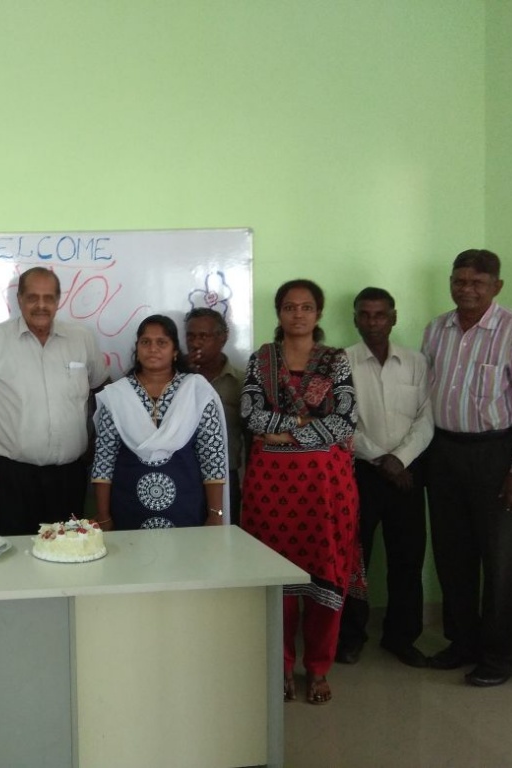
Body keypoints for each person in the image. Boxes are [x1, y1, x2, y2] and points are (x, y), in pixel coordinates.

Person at [240, 279, 360, 706]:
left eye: (307, 307)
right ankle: (282, 665)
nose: (298, 314)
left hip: (324, 487)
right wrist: (306, 428)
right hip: (270, 490)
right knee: (276, 576)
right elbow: (251, 414)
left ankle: (319, 667)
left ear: (318, 313)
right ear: (279, 313)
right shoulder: (262, 360)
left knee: (326, 571)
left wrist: (285, 438)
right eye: (289, 307)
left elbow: (345, 419)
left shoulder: (335, 361)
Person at [421, 249, 512, 687]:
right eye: (459, 281)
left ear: (496, 287)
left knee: (501, 559)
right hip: (445, 452)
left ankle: (501, 656)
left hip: (497, 456)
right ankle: (462, 642)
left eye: (477, 283)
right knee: (452, 554)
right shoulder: (436, 330)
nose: (466, 290)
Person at [0, 267, 110, 535]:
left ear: (58, 300)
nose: (41, 305)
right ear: (19, 299)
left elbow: (103, 393)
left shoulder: (82, 339)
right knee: (17, 549)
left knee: (67, 549)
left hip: (69, 475)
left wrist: (97, 443)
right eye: (32, 297)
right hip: (12, 475)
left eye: (48, 298)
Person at [335, 288, 433, 668]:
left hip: (407, 473)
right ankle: (350, 637)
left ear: (393, 318)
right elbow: (342, 421)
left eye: (380, 315)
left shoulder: (415, 362)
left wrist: (400, 459)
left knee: (407, 557)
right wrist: (380, 458)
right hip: (360, 471)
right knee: (354, 560)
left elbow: (426, 418)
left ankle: (401, 637)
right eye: (365, 314)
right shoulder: (340, 362)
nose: (372, 322)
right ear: (355, 319)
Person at [92, 314, 228, 529]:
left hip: (187, 509)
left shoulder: (196, 392)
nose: (153, 349)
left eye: (161, 342)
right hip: (128, 509)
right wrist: (103, 515)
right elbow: (103, 461)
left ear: (175, 351)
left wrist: (216, 514)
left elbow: (212, 459)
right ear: (137, 349)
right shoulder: (118, 395)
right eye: (145, 342)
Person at [186, 307, 246, 524]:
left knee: (223, 536)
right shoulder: (176, 377)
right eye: (190, 336)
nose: (196, 343)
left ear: (223, 337)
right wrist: (183, 372)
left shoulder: (240, 381)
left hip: (226, 477)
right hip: (184, 474)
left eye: (204, 336)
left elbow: (248, 434)